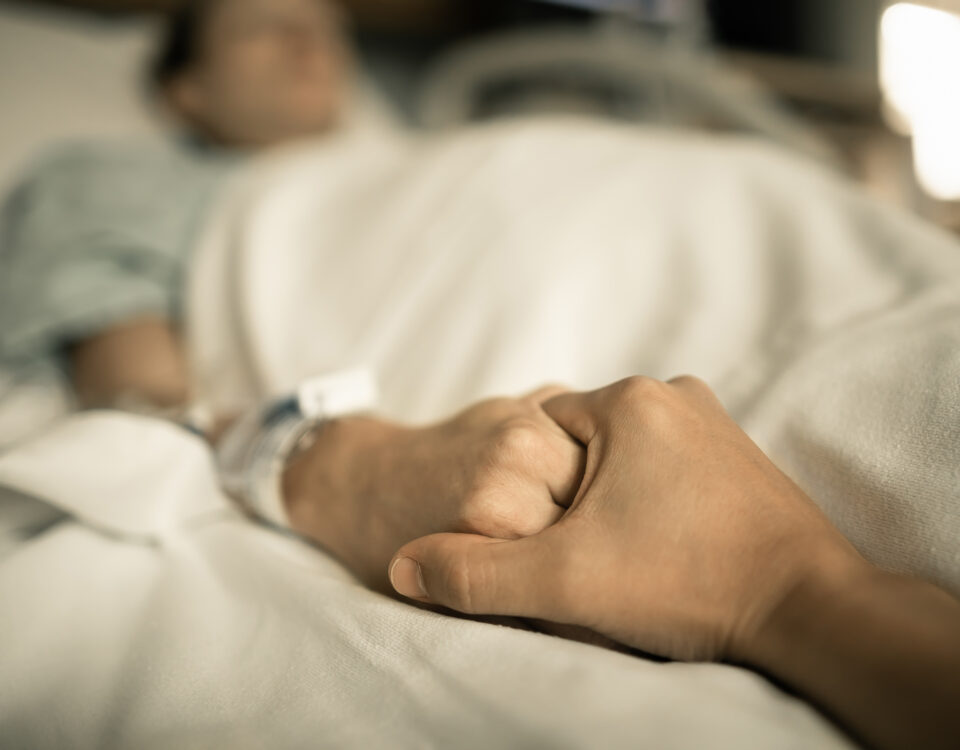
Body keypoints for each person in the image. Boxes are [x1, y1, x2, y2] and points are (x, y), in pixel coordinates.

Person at [0, 2, 957, 749]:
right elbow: (149, 410)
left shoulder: (424, 151)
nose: (312, 42)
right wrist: (333, 458)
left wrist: (789, 595)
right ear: (186, 92)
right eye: (268, 24)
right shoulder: (110, 178)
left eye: (327, 25)